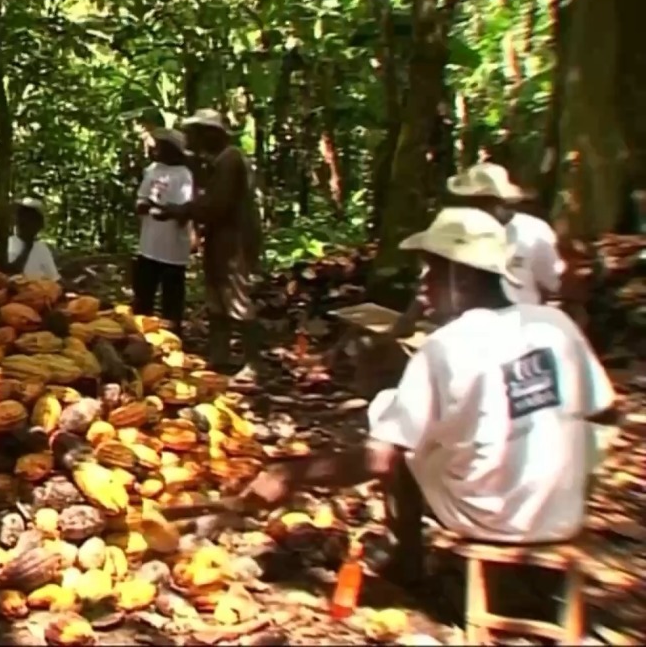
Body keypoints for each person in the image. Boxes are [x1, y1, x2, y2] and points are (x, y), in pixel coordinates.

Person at [243, 207, 618, 584]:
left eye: (433, 270)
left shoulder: (445, 346)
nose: (423, 283)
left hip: (488, 519)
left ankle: (408, 564)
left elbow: (377, 461)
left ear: (464, 276)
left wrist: (289, 473)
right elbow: (603, 412)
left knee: (393, 422)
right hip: (565, 514)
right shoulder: (554, 324)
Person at [391, 162, 565, 337]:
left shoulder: (534, 231)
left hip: (519, 331)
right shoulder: (457, 229)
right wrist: (408, 319)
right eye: (468, 201)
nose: (471, 207)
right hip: (461, 332)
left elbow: (553, 287)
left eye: (480, 202)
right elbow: (433, 280)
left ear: (500, 201)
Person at [158, 109, 264, 380]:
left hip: (234, 241)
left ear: (210, 134)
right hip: (221, 240)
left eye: (195, 133)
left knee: (236, 299)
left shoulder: (230, 160)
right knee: (217, 299)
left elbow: (217, 204)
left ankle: (253, 363)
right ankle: (219, 357)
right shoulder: (219, 161)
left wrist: (180, 210)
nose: (191, 139)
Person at [133, 127, 195, 335]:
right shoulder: (153, 170)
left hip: (173, 250)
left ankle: (172, 336)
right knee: (143, 294)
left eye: (163, 146)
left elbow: (184, 210)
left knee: (172, 297)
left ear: (174, 150)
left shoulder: (184, 175)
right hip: (148, 245)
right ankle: (139, 332)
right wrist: (149, 207)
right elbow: (141, 201)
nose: (157, 150)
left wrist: (165, 210)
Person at [1, 197, 60, 280]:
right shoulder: (8, 244)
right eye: (22, 219)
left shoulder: (42, 249)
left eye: (32, 220)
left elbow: (54, 278)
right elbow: (10, 272)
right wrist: (28, 247)